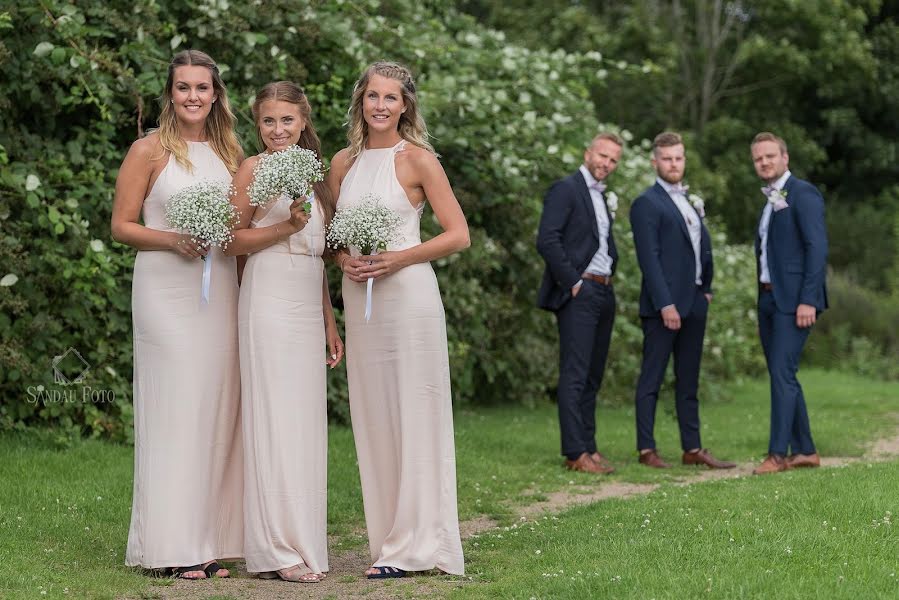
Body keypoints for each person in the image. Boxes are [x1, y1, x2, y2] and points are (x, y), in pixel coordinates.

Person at [328, 61, 468, 579]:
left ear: (406, 105)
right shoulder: (342, 163)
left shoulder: (419, 161)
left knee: (415, 410)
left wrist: (400, 258)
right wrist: (343, 257)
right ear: (360, 102)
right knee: (374, 415)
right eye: (372, 96)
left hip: (407, 296)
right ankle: (388, 539)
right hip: (361, 300)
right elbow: (335, 234)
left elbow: (457, 234)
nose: (381, 106)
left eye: (391, 97)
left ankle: (416, 545)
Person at [111, 49, 243, 579]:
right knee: (173, 409)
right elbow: (122, 225)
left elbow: (241, 227)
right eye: (183, 87)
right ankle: (167, 546)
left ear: (216, 95)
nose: (193, 96)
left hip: (220, 295)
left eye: (202, 88)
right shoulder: (148, 150)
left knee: (213, 410)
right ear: (171, 94)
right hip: (166, 291)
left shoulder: (231, 152)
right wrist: (174, 239)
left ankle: (205, 541)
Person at [226, 81, 344, 582]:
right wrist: (283, 227)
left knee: (303, 423)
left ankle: (302, 539)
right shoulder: (253, 169)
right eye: (269, 121)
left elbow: (319, 254)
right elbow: (230, 241)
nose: (278, 130)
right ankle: (274, 549)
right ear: (258, 125)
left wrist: (329, 321)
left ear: (303, 122)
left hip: (305, 300)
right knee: (272, 418)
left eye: (287, 121)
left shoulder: (316, 175)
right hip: (268, 296)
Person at [629, 132, 735, 470]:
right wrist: (666, 304)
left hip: (695, 303)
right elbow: (650, 258)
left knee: (688, 380)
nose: (674, 164)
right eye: (667, 158)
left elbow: (701, 249)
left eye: (678, 158)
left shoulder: (689, 201)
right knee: (652, 379)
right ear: (655, 162)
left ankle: (693, 448)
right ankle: (647, 449)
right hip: (665, 308)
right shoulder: (647, 202)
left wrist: (706, 289)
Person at [536, 133, 623, 475]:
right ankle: (575, 453)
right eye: (602, 155)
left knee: (593, 374)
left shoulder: (601, 195)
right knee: (575, 373)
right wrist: (572, 281)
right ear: (588, 153)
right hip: (580, 290)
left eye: (613, 160)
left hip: (605, 290)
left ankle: (589, 446)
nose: (606, 163)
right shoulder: (566, 188)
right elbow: (547, 239)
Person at [749, 132, 828, 475]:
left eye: (769, 156)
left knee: (782, 374)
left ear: (785, 157)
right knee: (783, 374)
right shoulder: (771, 199)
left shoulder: (803, 193)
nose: (764, 162)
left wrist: (808, 299)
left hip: (794, 302)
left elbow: (817, 248)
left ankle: (777, 455)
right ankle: (806, 450)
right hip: (768, 298)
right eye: (758, 159)